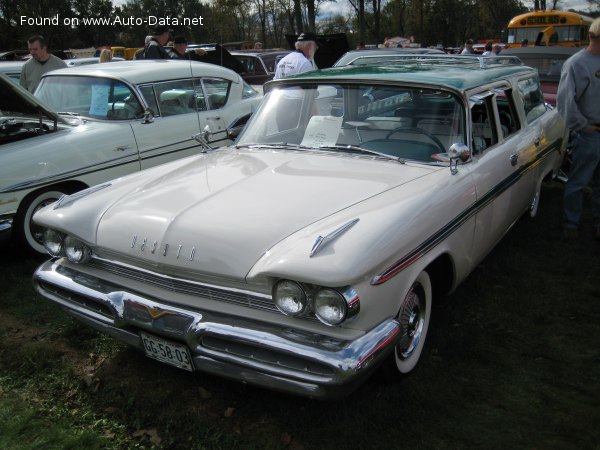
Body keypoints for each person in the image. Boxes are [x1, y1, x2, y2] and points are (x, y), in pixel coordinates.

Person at [556, 16, 600, 240]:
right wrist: (584, 127)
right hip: (589, 133)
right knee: (578, 182)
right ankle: (571, 223)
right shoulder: (576, 63)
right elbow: (565, 103)